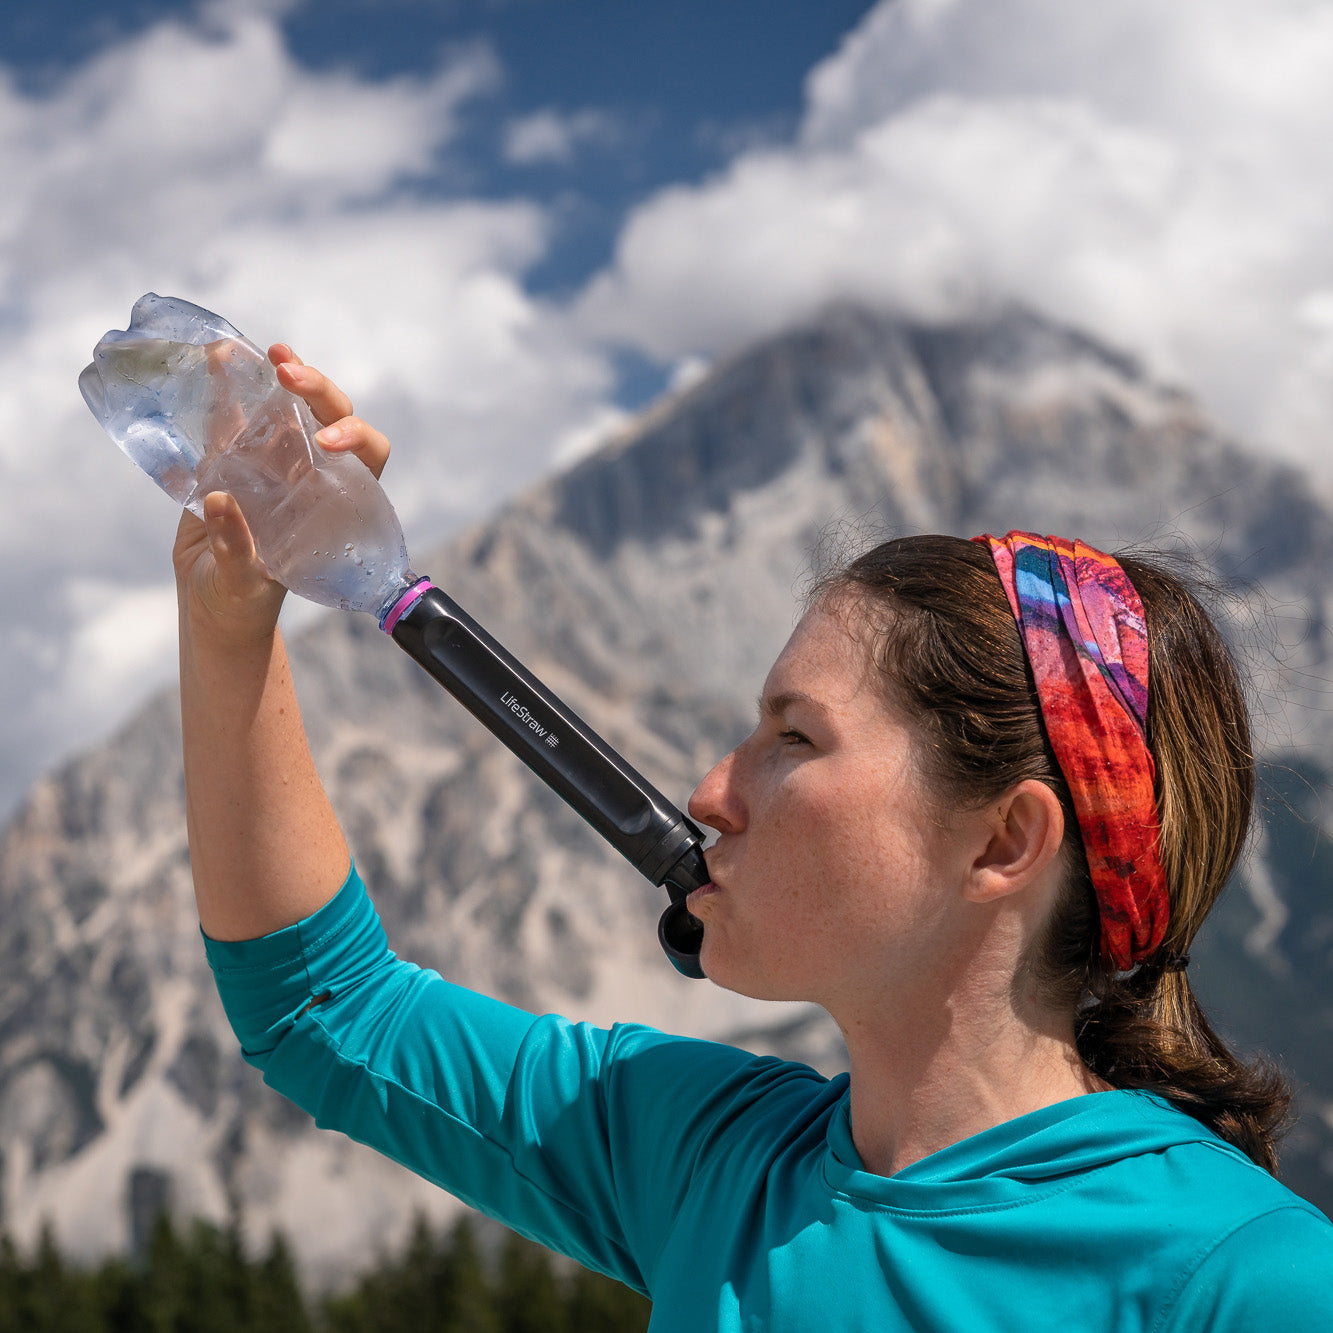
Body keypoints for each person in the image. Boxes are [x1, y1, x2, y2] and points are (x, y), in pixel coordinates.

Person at [178, 345, 1333, 1330]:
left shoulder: (1244, 1280)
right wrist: (232, 621)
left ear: (1002, 842)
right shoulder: (711, 1155)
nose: (711, 789)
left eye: (793, 739)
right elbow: (323, 1011)